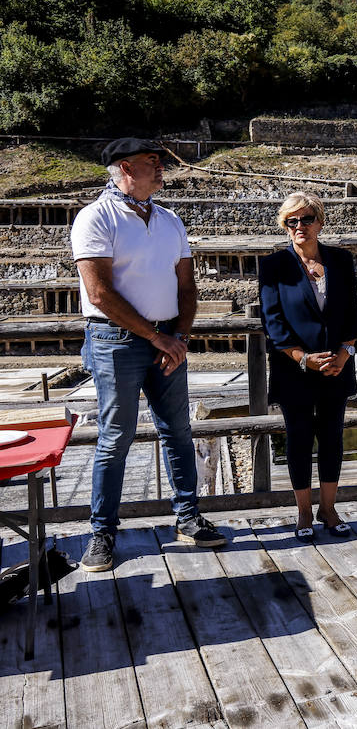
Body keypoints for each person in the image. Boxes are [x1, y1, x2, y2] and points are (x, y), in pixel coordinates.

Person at [71, 138, 226, 572]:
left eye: (160, 162)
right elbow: (100, 294)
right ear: (125, 168)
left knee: (178, 430)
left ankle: (188, 518)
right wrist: (157, 338)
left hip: (168, 338)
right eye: (151, 162)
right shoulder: (94, 217)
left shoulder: (170, 219)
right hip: (116, 342)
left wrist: (180, 336)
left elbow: (187, 287)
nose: (161, 169)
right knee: (115, 437)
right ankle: (102, 532)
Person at [258, 192, 357, 541]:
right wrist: (303, 358)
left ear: (320, 222)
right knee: (299, 439)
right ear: (284, 226)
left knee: (332, 438)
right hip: (294, 370)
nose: (299, 226)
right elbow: (273, 322)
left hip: (336, 366)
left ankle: (328, 508)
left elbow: (353, 316)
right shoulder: (274, 265)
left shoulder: (341, 261)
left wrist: (345, 354)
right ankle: (304, 510)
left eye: (306, 219)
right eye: (291, 221)